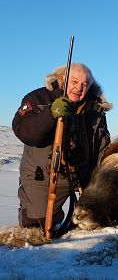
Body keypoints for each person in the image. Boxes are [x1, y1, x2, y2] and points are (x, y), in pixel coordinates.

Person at [12, 63, 112, 228]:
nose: (79, 88)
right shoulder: (39, 98)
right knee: (37, 226)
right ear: (63, 79)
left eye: (84, 84)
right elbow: (23, 131)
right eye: (74, 82)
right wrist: (50, 113)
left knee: (97, 222)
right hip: (42, 175)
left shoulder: (95, 108)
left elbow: (102, 145)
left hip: (81, 176)